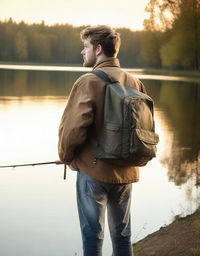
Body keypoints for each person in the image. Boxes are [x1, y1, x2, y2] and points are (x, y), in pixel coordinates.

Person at [58, 25, 146, 256]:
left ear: (98, 49)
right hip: (126, 171)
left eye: (85, 46)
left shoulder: (88, 81)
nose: (82, 51)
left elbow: (73, 129)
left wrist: (67, 156)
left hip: (93, 172)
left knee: (92, 234)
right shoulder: (135, 82)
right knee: (123, 234)